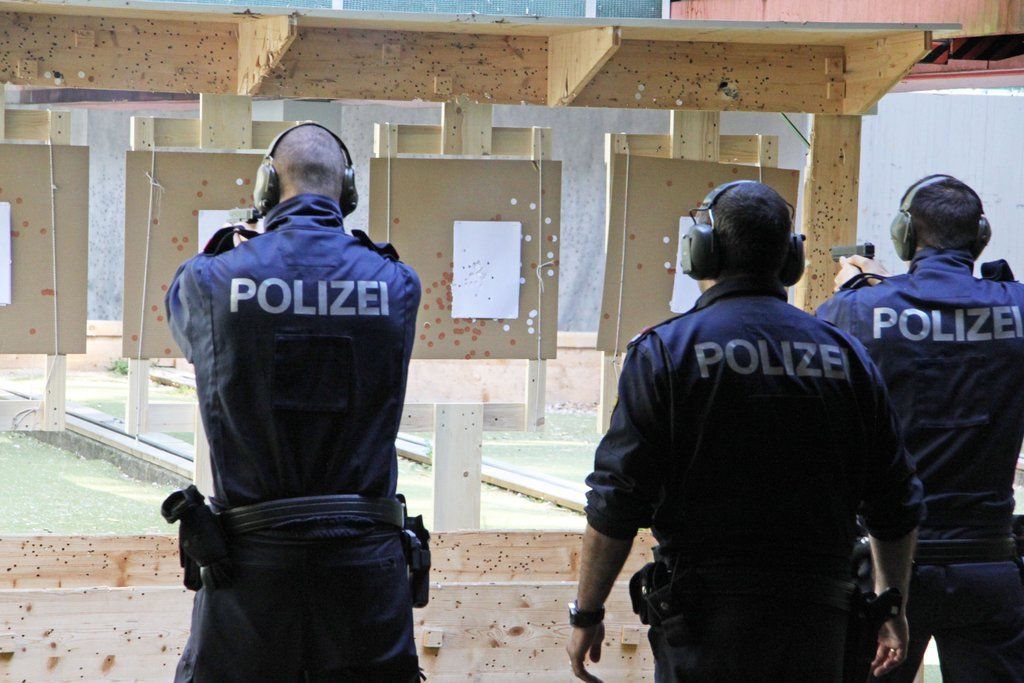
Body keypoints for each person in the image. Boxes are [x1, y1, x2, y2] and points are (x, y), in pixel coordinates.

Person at [566, 180, 923, 682]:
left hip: (704, 628)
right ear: (791, 258)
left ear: (701, 253)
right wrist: (891, 605)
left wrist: (587, 613)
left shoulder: (664, 352)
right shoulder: (847, 356)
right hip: (817, 623)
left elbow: (616, 499)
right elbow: (895, 501)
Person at [163, 122, 425, 682]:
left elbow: (189, 329)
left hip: (250, 574)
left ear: (265, 188)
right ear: (347, 191)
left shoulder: (210, 280)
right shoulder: (397, 283)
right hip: (364, 574)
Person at [820, 174, 1024, 682]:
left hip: (884, 567)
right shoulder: (1018, 307)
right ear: (980, 236)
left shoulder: (854, 311)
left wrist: (863, 292)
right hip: (987, 563)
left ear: (904, 235)